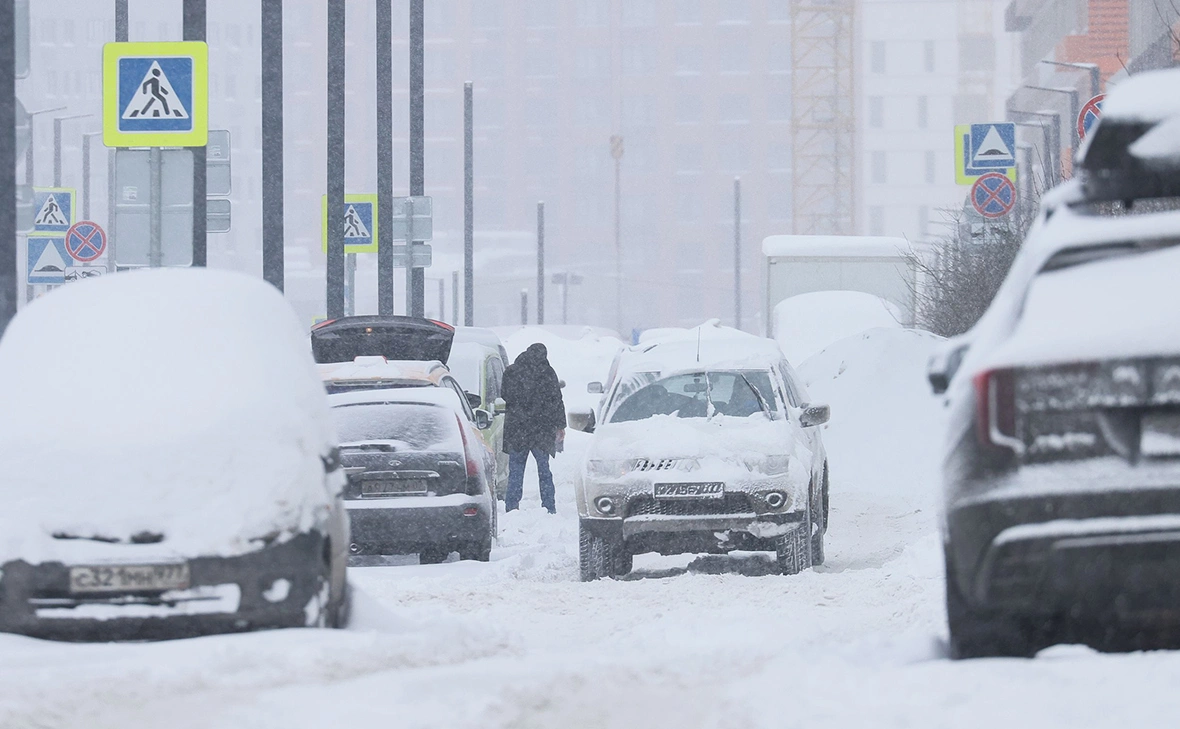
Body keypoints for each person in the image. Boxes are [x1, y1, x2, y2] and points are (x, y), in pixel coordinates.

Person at [500, 343, 566, 513]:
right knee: (544, 471)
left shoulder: (512, 371)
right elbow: (557, 400)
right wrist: (560, 426)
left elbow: (504, 395)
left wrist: (521, 410)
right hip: (541, 430)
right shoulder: (547, 372)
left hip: (518, 429)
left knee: (516, 471)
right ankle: (549, 506)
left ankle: (512, 507)